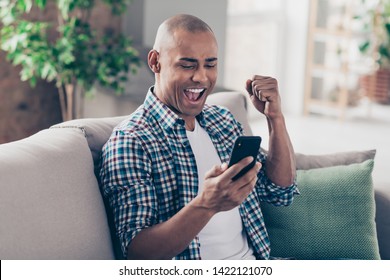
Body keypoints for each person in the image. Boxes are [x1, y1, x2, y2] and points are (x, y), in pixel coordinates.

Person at [100, 14, 298, 260]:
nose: (201, 77)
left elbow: (280, 192)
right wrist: (206, 204)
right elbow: (138, 254)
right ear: (155, 62)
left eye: (210, 65)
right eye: (187, 65)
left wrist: (275, 118)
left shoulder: (222, 121)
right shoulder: (131, 141)